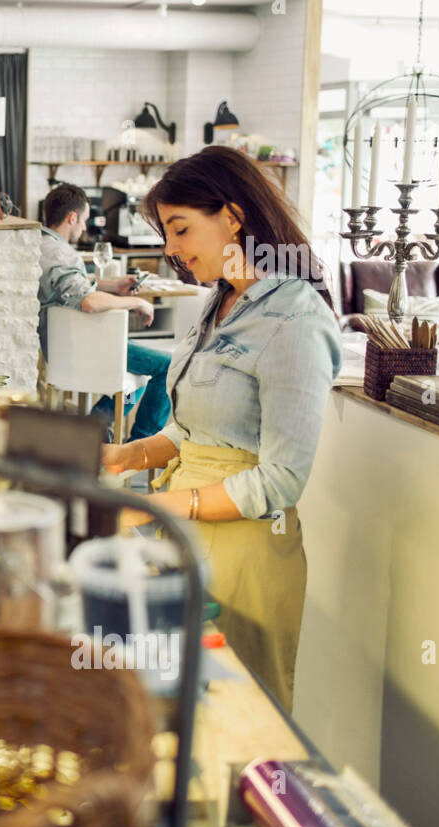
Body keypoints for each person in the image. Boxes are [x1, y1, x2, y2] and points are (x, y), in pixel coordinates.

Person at [100, 146, 342, 711]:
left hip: (246, 554)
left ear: (233, 216)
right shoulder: (217, 304)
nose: (171, 250)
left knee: (236, 721)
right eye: (167, 233)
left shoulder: (295, 320)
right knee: (174, 712)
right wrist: (129, 456)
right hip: (185, 533)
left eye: (181, 229)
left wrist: (166, 506)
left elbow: (280, 480)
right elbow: (197, 431)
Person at [37, 183, 171, 440]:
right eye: (84, 221)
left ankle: (94, 426)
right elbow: (88, 303)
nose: (85, 228)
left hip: (64, 348)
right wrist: (137, 303)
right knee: (167, 366)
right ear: (72, 217)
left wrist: (112, 285)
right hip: (84, 348)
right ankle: (139, 442)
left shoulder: (41, 245)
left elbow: (69, 288)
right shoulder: (61, 253)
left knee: (140, 378)